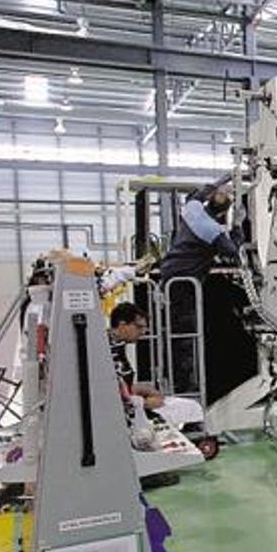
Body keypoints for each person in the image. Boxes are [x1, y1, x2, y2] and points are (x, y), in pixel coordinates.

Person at [157, 178, 239, 394]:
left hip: (168, 276)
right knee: (185, 336)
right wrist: (239, 226)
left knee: (171, 332)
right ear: (224, 212)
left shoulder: (192, 210)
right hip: (184, 286)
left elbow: (197, 194)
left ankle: (170, 379)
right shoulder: (212, 230)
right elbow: (233, 252)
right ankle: (186, 387)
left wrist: (221, 182)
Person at [108, 302, 204, 429]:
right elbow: (109, 394)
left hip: (129, 403)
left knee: (189, 406)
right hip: (120, 415)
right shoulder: (109, 349)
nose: (143, 332)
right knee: (188, 409)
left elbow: (119, 384)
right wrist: (145, 403)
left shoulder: (116, 345)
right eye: (139, 327)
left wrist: (138, 389)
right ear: (122, 325)